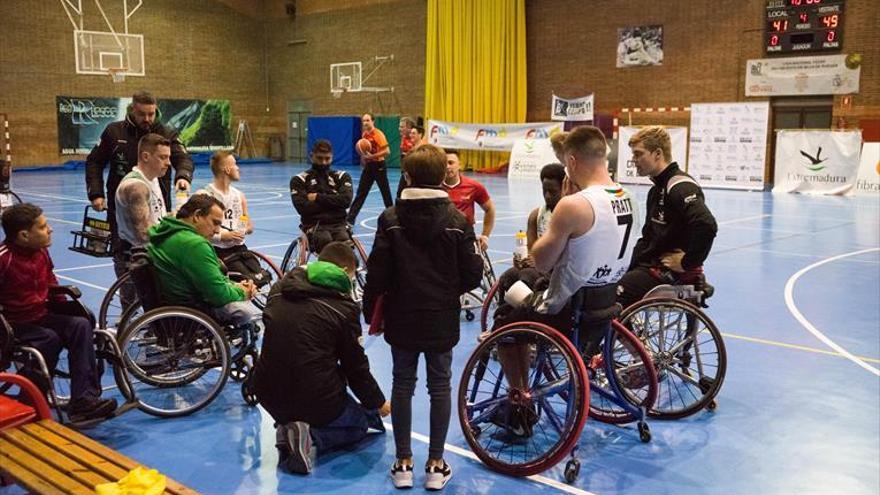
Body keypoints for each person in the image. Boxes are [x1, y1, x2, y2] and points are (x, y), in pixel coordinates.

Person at [491, 127, 638, 435]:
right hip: (607, 300)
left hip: (568, 307)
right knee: (522, 291)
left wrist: (563, 209)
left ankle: (519, 405)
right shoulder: (629, 197)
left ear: (570, 161)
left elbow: (541, 261)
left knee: (505, 317)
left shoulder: (574, 205)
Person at [363, 144, 483, 491]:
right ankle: (435, 463)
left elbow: (378, 272)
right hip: (441, 317)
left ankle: (402, 462)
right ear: (441, 176)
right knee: (440, 384)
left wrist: (370, 309)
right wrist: (446, 289)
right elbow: (473, 275)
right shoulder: (458, 221)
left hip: (402, 316)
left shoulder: (390, 219)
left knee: (402, 384)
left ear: (408, 176)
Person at [252, 241, 390, 475]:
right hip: (313, 394)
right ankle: (308, 435)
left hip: (266, 390)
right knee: (361, 425)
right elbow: (355, 368)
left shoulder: (280, 289)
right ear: (346, 272)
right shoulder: (343, 308)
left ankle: (287, 427)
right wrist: (377, 402)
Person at [0, 204, 117, 421]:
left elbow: (52, 286)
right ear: (24, 235)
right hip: (13, 324)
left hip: (41, 316)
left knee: (81, 325)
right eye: (44, 227)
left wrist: (68, 308)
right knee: (49, 338)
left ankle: (84, 401)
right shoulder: (4, 259)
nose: (51, 229)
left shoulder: (41, 252)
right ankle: (31, 399)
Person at [85, 90, 193, 279]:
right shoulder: (114, 131)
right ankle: (128, 300)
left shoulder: (166, 132)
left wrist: (182, 176)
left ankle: (156, 303)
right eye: (142, 114)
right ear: (132, 109)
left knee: (158, 255)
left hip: (157, 204)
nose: (147, 119)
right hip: (121, 206)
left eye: (151, 114)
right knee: (124, 257)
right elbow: (94, 161)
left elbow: (182, 158)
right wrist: (96, 193)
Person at [617, 126, 718, 309]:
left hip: (667, 272)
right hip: (652, 265)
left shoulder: (679, 185)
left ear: (657, 154)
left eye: (639, 154)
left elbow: (706, 224)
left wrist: (687, 262)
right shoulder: (656, 190)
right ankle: (627, 335)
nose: (634, 160)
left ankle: (628, 337)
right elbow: (648, 239)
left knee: (609, 296)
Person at [146, 194, 259, 326]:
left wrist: (234, 286)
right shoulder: (194, 245)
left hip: (171, 300)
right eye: (215, 223)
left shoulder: (164, 231)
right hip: (192, 308)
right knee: (246, 311)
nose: (217, 230)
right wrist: (243, 292)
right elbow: (218, 295)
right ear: (197, 215)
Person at [113, 133, 172, 304]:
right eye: (163, 157)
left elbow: (157, 218)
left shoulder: (152, 180)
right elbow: (145, 233)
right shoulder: (136, 187)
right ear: (146, 156)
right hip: (136, 256)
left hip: (150, 252)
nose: (168, 162)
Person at [495, 163, 566, 294]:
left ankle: (522, 311)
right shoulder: (536, 215)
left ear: (564, 189)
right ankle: (504, 312)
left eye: (553, 192)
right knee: (508, 276)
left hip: (560, 270)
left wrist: (541, 261)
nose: (547, 196)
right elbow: (531, 251)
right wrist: (522, 259)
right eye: (545, 191)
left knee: (526, 277)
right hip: (540, 268)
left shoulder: (571, 215)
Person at [290, 140, 353, 254]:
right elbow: (303, 208)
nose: (323, 163)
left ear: (332, 157)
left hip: (339, 224)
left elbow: (346, 201)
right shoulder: (299, 180)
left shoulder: (342, 176)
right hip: (314, 225)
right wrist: (334, 201)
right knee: (325, 241)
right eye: (319, 158)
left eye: (327, 158)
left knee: (345, 245)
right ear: (311, 156)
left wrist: (317, 197)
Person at [197, 151, 253, 258]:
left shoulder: (239, 196)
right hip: (214, 250)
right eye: (235, 164)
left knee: (261, 274)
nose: (238, 168)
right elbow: (197, 230)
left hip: (239, 249)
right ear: (227, 169)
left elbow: (248, 224)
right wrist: (222, 236)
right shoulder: (204, 195)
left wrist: (240, 231)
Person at [442, 149, 496, 251]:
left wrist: (485, 236)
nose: (447, 166)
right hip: (441, 238)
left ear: (459, 165)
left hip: (465, 237)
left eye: (451, 163)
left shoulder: (474, 186)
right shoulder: (435, 186)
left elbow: (490, 209)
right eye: (444, 163)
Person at [347, 113, 393, 224]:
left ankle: (392, 217)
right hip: (369, 166)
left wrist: (372, 156)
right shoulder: (365, 135)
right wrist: (364, 159)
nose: (365, 123)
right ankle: (350, 219)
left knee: (385, 193)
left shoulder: (378, 134)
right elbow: (364, 152)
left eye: (367, 120)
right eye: (364, 121)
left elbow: (387, 151)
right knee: (361, 193)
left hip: (379, 166)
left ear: (373, 121)